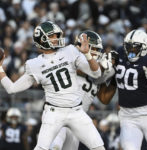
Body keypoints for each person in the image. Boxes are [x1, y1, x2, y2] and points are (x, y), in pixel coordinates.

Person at [0, 21, 106, 150]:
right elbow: (11, 89)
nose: (56, 38)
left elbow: (96, 73)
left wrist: (88, 54)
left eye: (57, 35)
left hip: (77, 111)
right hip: (54, 113)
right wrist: (0, 68)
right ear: (42, 39)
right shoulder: (34, 64)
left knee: (99, 147)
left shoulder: (70, 50)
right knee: (43, 148)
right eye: (52, 36)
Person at [50, 30, 116, 150]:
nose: (97, 52)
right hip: (62, 111)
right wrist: (101, 68)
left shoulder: (98, 70)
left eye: (98, 49)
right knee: (55, 145)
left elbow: (104, 99)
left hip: (79, 120)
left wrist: (114, 75)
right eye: (94, 49)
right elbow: (82, 69)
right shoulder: (71, 56)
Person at [98, 29, 147, 150]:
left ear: (145, 47)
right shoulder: (120, 53)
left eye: (135, 48)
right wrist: (104, 71)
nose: (131, 51)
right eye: (128, 47)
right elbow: (104, 97)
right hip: (127, 116)